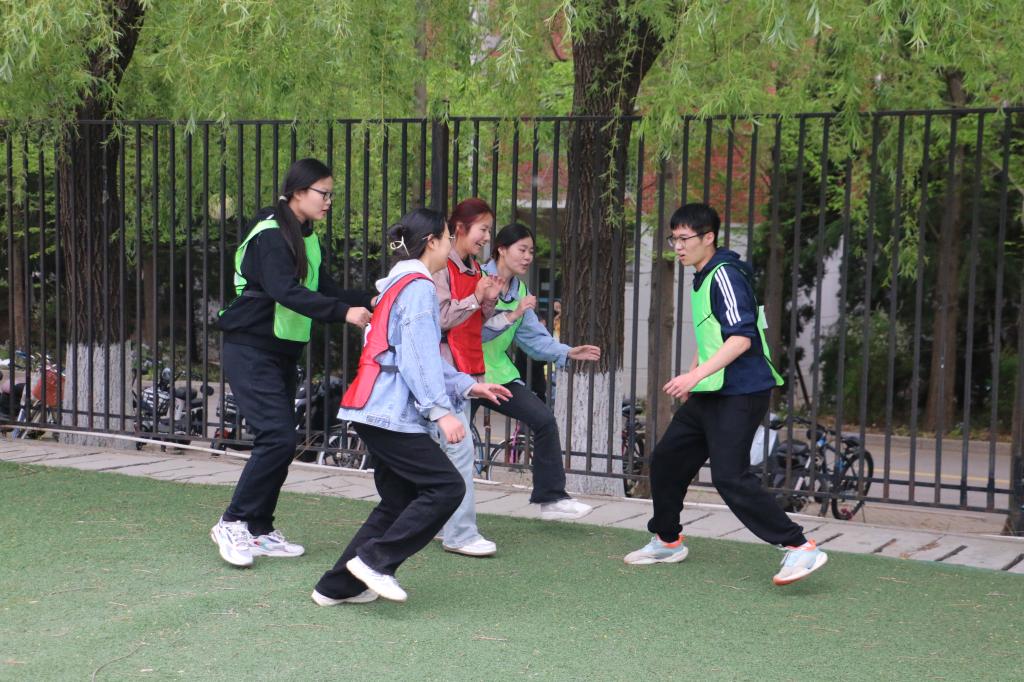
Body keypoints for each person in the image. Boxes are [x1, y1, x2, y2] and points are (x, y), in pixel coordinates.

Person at [312, 209, 511, 605]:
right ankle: (375, 562)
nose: (451, 245)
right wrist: (442, 411)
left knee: (399, 501)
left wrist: (469, 386)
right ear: (432, 242)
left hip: (375, 409)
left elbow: (419, 355)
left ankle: (335, 587)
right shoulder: (418, 286)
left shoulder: (399, 282)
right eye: (447, 237)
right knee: (446, 487)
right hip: (389, 413)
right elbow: (417, 358)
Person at [623, 203, 827, 586]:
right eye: (673, 238)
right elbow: (712, 334)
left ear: (708, 238)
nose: (677, 246)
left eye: (684, 239)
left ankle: (800, 547)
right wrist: (696, 374)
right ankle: (667, 540)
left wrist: (694, 376)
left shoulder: (725, 276)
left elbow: (741, 338)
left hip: (742, 392)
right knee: (666, 460)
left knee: (730, 476)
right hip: (712, 391)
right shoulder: (703, 276)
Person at [211, 158, 374, 569]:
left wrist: (372, 298)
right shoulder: (270, 234)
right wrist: (344, 313)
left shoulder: (307, 237)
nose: (329, 201)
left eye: (331, 194)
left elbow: (326, 289)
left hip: (281, 351)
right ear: (299, 191)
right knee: (278, 437)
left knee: (281, 440)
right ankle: (231, 522)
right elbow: (285, 291)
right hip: (250, 348)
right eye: (323, 193)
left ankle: (259, 529)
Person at [478, 222, 599, 521]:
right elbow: (474, 331)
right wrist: (514, 312)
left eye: (531, 251)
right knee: (452, 444)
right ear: (501, 249)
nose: (528, 257)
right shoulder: (476, 278)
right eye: (522, 249)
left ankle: (551, 498)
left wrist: (566, 351)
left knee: (543, 420)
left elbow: (532, 338)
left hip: (497, 375)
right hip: (462, 374)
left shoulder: (520, 290)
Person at [430, 198, 505, 557]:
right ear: (459, 228)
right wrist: (476, 298)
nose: (487, 238)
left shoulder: (472, 267)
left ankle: (438, 523)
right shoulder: (440, 266)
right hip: (446, 370)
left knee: (444, 451)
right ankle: (459, 532)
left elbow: (474, 320)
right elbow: (441, 319)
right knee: (460, 449)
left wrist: (487, 300)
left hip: (465, 369)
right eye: (483, 230)